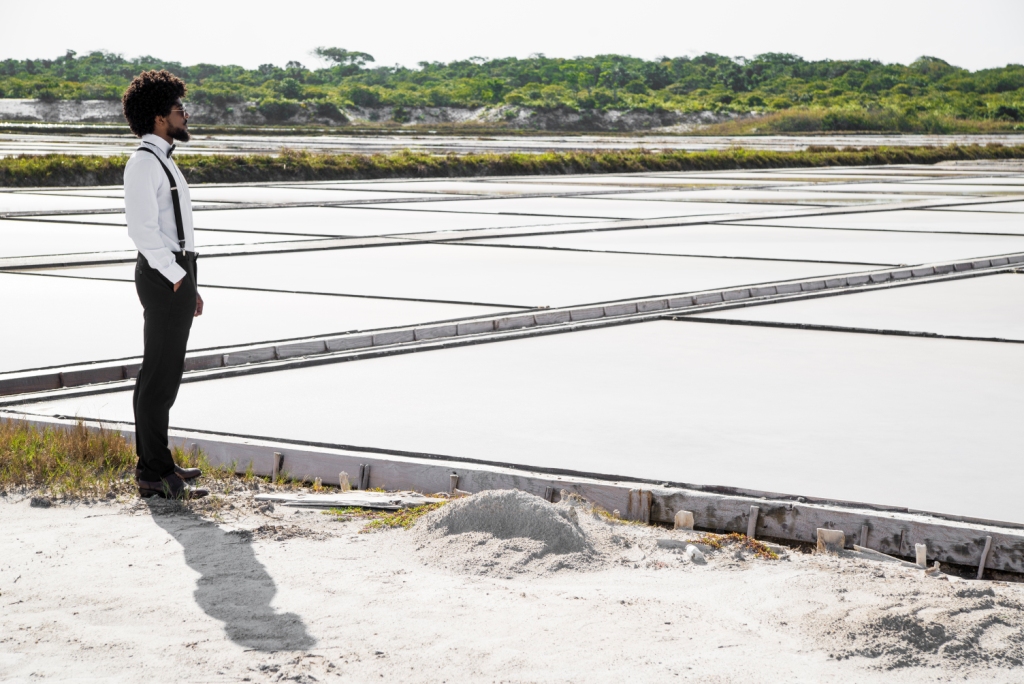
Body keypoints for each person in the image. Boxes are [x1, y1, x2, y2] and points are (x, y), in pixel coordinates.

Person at [121, 70, 208, 499]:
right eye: (179, 110)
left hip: (176, 272)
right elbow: (142, 230)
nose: (185, 115)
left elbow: (176, 230)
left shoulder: (164, 160)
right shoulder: (142, 164)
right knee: (157, 375)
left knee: (165, 374)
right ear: (159, 118)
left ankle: (157, 464)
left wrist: (190, 281)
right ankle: (153, 473)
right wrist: (177, 278)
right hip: (163, 273)